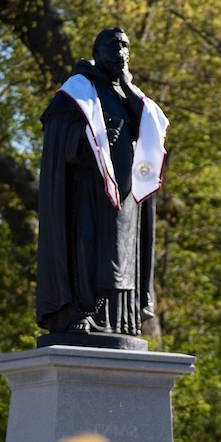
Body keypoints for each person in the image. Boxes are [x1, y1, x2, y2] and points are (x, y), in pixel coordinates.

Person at [36, 28, 168, 344]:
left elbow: (151, 129)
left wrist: (125, 84)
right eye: (114, 44)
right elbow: (57, 136)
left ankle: (120, 317)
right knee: (89, 246)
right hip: (87, 190)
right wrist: (84, 140)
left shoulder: (129, 95)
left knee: (123, 253)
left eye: (126, 46)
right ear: (97, 50)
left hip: (127, 196)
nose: (120, 50)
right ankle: (83, 310)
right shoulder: (77, 91)